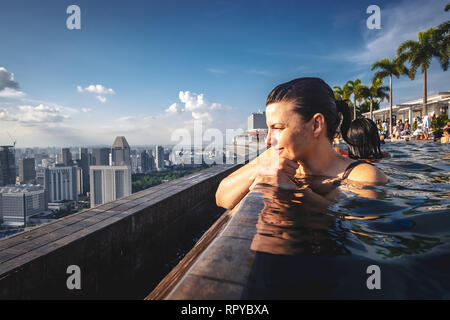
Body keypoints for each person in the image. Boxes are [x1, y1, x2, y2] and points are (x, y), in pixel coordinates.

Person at [215, 77, 388, 210]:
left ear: (315, 125)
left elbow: (356, 226)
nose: (268, 140)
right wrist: (260, 172)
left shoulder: (364, 176)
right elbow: (221, 197)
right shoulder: (274, 156)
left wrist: (294, 190)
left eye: (277, 127)